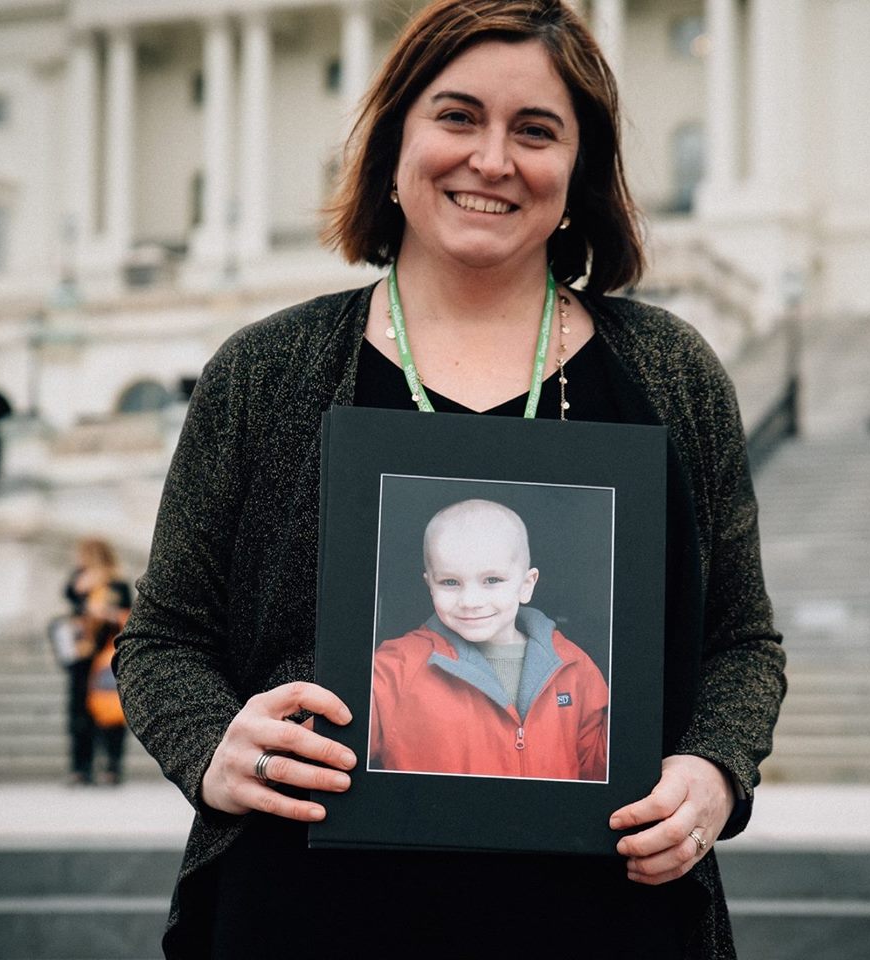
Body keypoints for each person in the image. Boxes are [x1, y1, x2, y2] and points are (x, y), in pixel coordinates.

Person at [115, 1, 786, 956]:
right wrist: (211, 746)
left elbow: (742, 643)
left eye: (536, 131)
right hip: (310, 915)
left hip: (605, 917)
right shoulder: (266, 371)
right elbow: (163, 637)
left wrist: (716, 772)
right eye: (458, 116)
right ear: (395, 143)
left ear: (578, 172)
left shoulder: (671, 374)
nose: (493, 159)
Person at [370, 498, 608, 780]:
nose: (470, 601)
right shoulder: (394, 669)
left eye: (492, 580)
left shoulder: (573, 666)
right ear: (429, 585)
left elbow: (602, 768)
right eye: (450, 582)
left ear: (526, 585)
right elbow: (329, 742)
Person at [63, 537, 132, 785]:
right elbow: (70, 599)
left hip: (107, 657)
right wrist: (83, 590)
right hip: (82, 657)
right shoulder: (79, 581)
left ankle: (112, 766)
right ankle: (81, 767)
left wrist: (107, 612)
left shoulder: (117, 584)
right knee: (79, 713)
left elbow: (129, 614)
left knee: (111, 712)